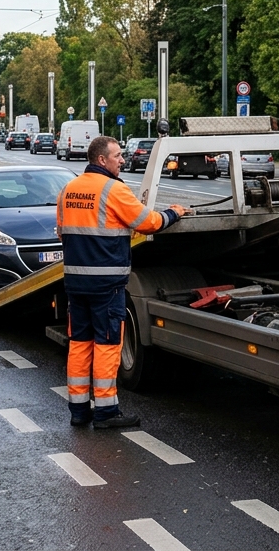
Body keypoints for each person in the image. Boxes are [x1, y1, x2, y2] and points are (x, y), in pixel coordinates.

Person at [57, 135, 188, 429]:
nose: (122, 160)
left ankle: (79, 410)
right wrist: (175, 213)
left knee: (79, 343)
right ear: (101, 160)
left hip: (75, 284)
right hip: (107, 284)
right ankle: (105, 411)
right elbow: (149, 222)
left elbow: (62, 232)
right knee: (106, 345)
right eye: (117, 156)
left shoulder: (68, 190)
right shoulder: (113, 190)